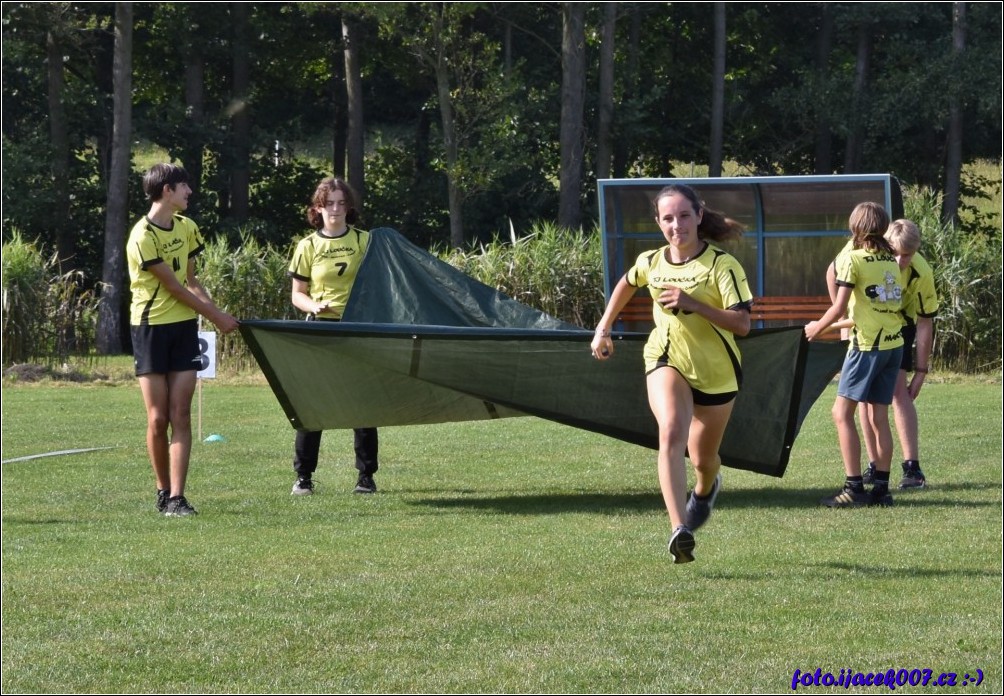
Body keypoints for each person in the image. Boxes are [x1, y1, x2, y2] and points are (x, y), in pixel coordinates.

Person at [591, 184, 752, 564]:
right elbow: (628, 283)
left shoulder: (721, 265)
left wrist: (692, 303)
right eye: (667, 218)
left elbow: (743, 324)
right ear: (658, 222)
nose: (676, 225)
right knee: (670, 433)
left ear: (699, 215)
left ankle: (705, 489)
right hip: (666, 358)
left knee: (702, 459)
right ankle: (679, 529)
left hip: (716, 373)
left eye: (683, 216)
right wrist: (603, 327)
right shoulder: (651, 261)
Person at [127, 163, 240, 517]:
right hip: (150, 330)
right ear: (167, 191)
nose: (190, 191)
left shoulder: (188, 227)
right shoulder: (142, 235)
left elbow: (190, 281)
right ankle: (162, 491)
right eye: (184, 186)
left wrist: (215, 309)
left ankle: (178, 497)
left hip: (184, 329)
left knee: (182, 414)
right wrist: (216, 317)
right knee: (158, 418)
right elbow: (172, 287)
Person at [824, 220, 939, 489]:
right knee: (864, 398)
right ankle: (875, 465)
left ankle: (912, 469)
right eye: (894, 252)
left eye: (906, 255)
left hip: (899, 325)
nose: (899, 260)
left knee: (898, 391)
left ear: (916, 250)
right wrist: (843, 317)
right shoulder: (859, 250)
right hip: (865, 327)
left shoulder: (921, 272)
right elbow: (833, 272)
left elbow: (925, 322)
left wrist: (921, 372)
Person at [806, 202, 904, 508]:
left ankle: (853, 489)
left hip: (867, 347)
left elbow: (838, 307)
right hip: (893, 345)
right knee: (879, 417)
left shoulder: (853, 259)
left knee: (840, 413)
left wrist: (815, 330)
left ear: (855, 228)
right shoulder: (890, 259)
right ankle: (882, 491)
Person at [287, 176, 379, 496]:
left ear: (349, 207)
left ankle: (366, 477)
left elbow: (381, 283)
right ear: (318, 208)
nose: (335, 209)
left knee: (362, 404)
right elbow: (297, 295)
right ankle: (304, 477)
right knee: (313, 404)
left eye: (341, 203)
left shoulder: (364, 241)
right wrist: (315, 306)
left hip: (357, 329)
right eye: (329, 203)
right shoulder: (307, 246)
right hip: (321, 330)